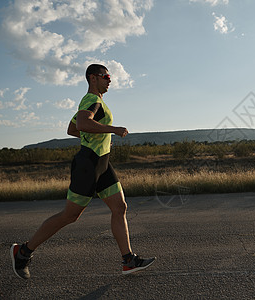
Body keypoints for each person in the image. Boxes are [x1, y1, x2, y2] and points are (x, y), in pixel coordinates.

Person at [10, 64, 155, 279]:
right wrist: (112, 130)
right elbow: (82, 122)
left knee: (120, 207)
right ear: (93, 78)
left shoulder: (96, 102)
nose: (110, 80)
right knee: (70, 216)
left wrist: (99, 137)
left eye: (109, 76)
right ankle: (22, 252)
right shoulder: (92, 100)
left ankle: (128, 260)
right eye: (106, 76)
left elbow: (72, 129)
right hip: (88, 164)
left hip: (102, 164)